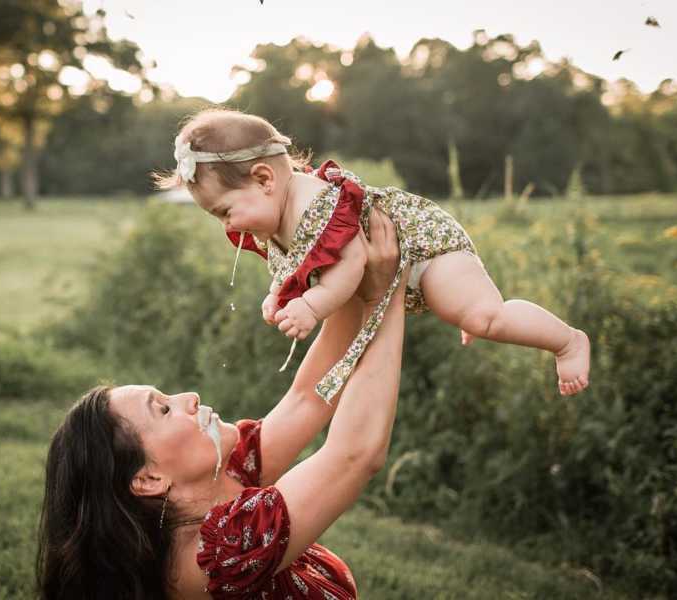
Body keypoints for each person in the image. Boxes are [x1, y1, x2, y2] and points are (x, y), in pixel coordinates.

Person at [36, 210, 407, 599]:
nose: (189, 398)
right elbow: (353, 456)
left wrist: (347, 268)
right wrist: (385, 296)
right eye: (163, 409)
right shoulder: (216, 557)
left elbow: (307, 397)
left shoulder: (222, 470)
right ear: (148, 479)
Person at [159, 108, 590, 400]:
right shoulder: (277, 216)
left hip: (427, 248)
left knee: (483, 317)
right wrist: (280, 295)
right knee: (461, 309)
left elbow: (350, 263)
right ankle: (466, 304)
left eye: (225, 211)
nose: (227, 226)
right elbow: (297, 266)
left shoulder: (314, 204)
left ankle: (567, 341)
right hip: (406, 263)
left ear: (264, 178)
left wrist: (310, 306)